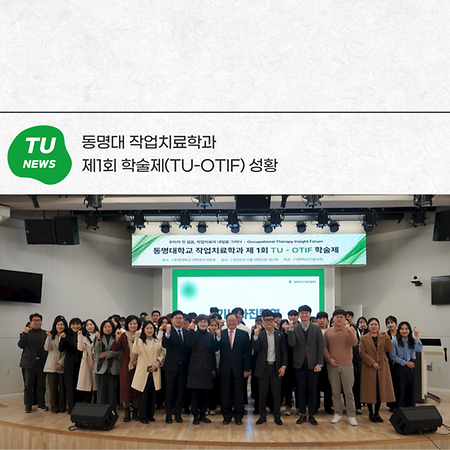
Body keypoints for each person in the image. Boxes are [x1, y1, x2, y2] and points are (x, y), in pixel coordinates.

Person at [288, 305, 323, 425]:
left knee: (313, 390)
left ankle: (312, 415)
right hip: (299, 364)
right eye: (302, 313)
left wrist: (319, 363)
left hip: (313, 364)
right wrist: (290, 330)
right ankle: (302, 414)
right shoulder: (295, 328)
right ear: (299, 315)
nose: (304, 315)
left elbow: (320, 346)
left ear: (310, 314)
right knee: (300, 390)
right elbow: (291, 343)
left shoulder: (316, 328)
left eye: (306, 313)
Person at [323, 309, 358, 426]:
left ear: (345, 319)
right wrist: (329, 359)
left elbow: (354, 343)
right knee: (335, 392)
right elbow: (324, 347)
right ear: (333, 318)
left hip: (347, 365)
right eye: (337, 317)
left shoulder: (350, 330)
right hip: (332, 366)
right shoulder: (328, 332)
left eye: (341, 317)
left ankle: (351, 415)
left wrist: (350, 331)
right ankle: (337, 413)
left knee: (348, 392)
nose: (339, 319)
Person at [253, 309, 287, 426]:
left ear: (274, 321)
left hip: (276, 368)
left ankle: (277, 416)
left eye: (271, 320)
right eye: (266, 320)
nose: (268, 322)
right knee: (262, 393)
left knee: (276, 393)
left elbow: (284, 352)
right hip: (263, 368)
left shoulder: (280, 334)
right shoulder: (260, 334)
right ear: (263, 321)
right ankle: (262, 416)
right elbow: (255, 349)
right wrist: (255, 336)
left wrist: (283, 366)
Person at [217, 312, 251, 425]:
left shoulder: (244, 334)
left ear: (237, 321)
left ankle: (238, 417)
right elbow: (215, 348)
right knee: (225, 394)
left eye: (233, 320)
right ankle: (226, 416)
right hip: (224, 369)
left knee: (239, 394)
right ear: (226, 322)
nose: (231, 322)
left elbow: (247, 353)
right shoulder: (221, 333)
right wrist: (217, 338)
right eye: (229, 321)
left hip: (239, 369)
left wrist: (246, 369)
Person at [359, 317, 395, 423]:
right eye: (371, 324)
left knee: (380, 390)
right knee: (370, 391)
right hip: (369, 367)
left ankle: (377, 413)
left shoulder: (383, 337)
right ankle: (371, 413)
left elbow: (389, 349)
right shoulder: (363, 338)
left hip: (382, 367)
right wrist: (372, 362)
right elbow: (362, 352)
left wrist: (387, 338)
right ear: (368, 326)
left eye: (375, 324)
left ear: (378, 326)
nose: (374, 326)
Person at [185, 314, 216, 425]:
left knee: (205, 394)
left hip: (207, 368)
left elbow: (213, 352)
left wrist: (213, 368)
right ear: (197, 323)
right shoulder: (193, 334)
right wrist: (191, 330)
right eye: (201, 321)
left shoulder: (210, 336)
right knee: (195, 395)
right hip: (195, 368)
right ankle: (195, 416)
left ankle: (203, 415)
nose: (203, 323)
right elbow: (188, 344)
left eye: (205, 321)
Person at [132, 321, 164, 423]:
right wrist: (136, 338)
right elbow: (135, 350)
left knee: (152, 394)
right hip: (143, 371)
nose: (149, 330)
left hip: (154, 370)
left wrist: (156, 364)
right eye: (147, 328)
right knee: (143, 394)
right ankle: (142, 416)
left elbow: (161, 354)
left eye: (151, 328)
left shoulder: (157, 341)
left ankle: (150, 415)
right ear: (143, 330)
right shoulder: (141, 341)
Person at [162, 310, 190, 423]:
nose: (178, 320)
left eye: (180, 318)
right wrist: (167, 333)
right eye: (176, 318)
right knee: (170, 392)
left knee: (180, 392)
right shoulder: (168, 332)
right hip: (171, 367)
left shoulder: (186, 332)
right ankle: (168, 415)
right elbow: (164, 344)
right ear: (172, 320)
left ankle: (178, 414)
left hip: (183, 367)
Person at [111, 315, 140, 421]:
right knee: (125, 388)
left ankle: (135, 411)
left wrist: (138, 360)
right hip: (126, 365)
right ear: (127, 324)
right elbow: (115, 348)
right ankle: (127, 411)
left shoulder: (140, 335)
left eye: (135, 323)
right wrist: (117, 338)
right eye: (130, 323)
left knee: (136, 388)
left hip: (138, 364)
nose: (133, 326)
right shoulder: (123, 335)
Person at [19, 313, 49, 413]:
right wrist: (24, 334)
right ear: (30, 322)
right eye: (34, 320)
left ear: (41, 322)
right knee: (28, 385)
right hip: (29, 363)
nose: (37, 322)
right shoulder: (26, 333)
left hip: (42, 362)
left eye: (39, 320)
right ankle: (28, 405)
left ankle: (41, 404)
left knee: (41, 385)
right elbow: (21, 345)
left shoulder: (46, 333)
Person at [389, 321, 423, 407]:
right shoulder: (394, 341)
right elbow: (393, 356)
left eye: (406, 329)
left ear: (409, 330)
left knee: (410, 387)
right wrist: (405, 363)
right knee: (400, 388)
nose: (404, 331)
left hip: (411, 366)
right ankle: (399, 407)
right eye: (402, 329)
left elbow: (419, 349)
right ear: (399, 330)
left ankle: (410, 408)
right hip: (399, 366)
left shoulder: (412, 341)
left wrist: (417, 336)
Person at [94, 319, 121, 410]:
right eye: (105, 327)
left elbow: (119, 351)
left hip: (113, 367)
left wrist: (106, 354)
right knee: (101, 392)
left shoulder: (117, 337)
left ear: (113, 328)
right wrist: (98, 339)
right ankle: (101, 412)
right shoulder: (99, 337)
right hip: (101, 368)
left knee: (112, 393)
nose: (107, 328)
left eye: (109, 326)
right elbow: (98, 350)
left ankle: (111, 412)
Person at [44, 315, 67, 413]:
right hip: (51, 365)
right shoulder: (51, 336)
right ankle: (54, 407)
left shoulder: (67, 336)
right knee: (53, 388)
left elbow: (67, 352)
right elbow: (47, 348)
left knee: (62, 388)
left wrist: (60, 363)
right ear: (55, 325)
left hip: (62, 365)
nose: (60, 326)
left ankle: (62, 407)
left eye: (62, 325)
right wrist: (48, 337)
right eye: (58, 324)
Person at [59, 317, 83, 414]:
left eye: (77, 324)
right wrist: (62, 339)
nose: (75, 326)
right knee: (70, 386)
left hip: (81, 363)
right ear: (70, 325)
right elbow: (61, 349)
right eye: (73, 324)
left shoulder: (83, 334)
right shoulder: (66, 334)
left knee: (79, 385)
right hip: (69, 364)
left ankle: (80, 407)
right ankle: (72, 408)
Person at [77, 319, 98, 404]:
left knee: (96, 385)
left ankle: (96, 403)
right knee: (87, 385)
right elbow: (80, 348)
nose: (89, 327)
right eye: (87, 325)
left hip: (97, 361)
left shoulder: (98, 335)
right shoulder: (83, 336)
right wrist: (80, 336)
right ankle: (87, 403)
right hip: (86, 362)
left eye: (91, 324)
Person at [316, 311, 333, 415]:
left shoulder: (331, 332)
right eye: (319, 319)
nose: (321, 321)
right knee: (316, 386)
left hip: (328, 362)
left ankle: (328, 406)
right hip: (316, 362)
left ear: (327, 321)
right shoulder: (314, 331)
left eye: (324, 319)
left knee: (328, 386)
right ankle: (316, 406)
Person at [385, 315, 398, 411]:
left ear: (396, 323)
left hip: (399, 361)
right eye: (388, 323)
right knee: (391, 384)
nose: (390, 325)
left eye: (392, 322)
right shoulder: (385, 335)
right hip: (389, 362)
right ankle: (391, 404)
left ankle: (399, 403)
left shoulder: (400, 333)